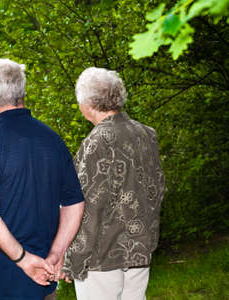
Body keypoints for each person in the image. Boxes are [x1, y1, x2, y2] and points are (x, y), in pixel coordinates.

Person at [0, 58, 85, 300]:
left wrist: (24, 260)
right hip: (44, 278)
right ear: (21, 93)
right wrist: (56, 253)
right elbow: (74, 203)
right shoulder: (52, 139)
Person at [63, 67, 165, 300]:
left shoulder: (97, 142)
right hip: (139, 248)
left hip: (101, 257)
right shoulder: (146, 134)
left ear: (88, 102)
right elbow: (157, 188)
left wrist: (74, 259)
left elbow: (87, 207)